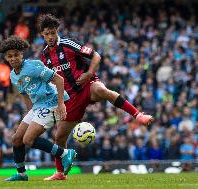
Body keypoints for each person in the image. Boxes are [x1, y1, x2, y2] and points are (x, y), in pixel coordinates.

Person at [39, 14, 154, 180]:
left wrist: (88, 74)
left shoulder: (68, 44)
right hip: (70, 98)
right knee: (59, 137)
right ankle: (59, 173)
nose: (50, 36)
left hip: (86, 85)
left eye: (53, 32)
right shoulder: (44, 57)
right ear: (42, 34)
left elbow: (96, 56)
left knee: (102, 90)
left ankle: (138, 115)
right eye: (47, 33)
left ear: (57, 31)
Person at [0, 36, 76, 182]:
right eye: (9, 56)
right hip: (38, 107)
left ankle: (65, 154)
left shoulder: (33, 66)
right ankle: (21, 174)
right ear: (6, 58)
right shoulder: (13, 75)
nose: (13, 58)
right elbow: (26, 95)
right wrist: (31, 115)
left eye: (16, 55)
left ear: (21, 54)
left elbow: (59, 79)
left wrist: (61, 104)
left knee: (28, 139)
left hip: (52, 103)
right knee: (17, 139)